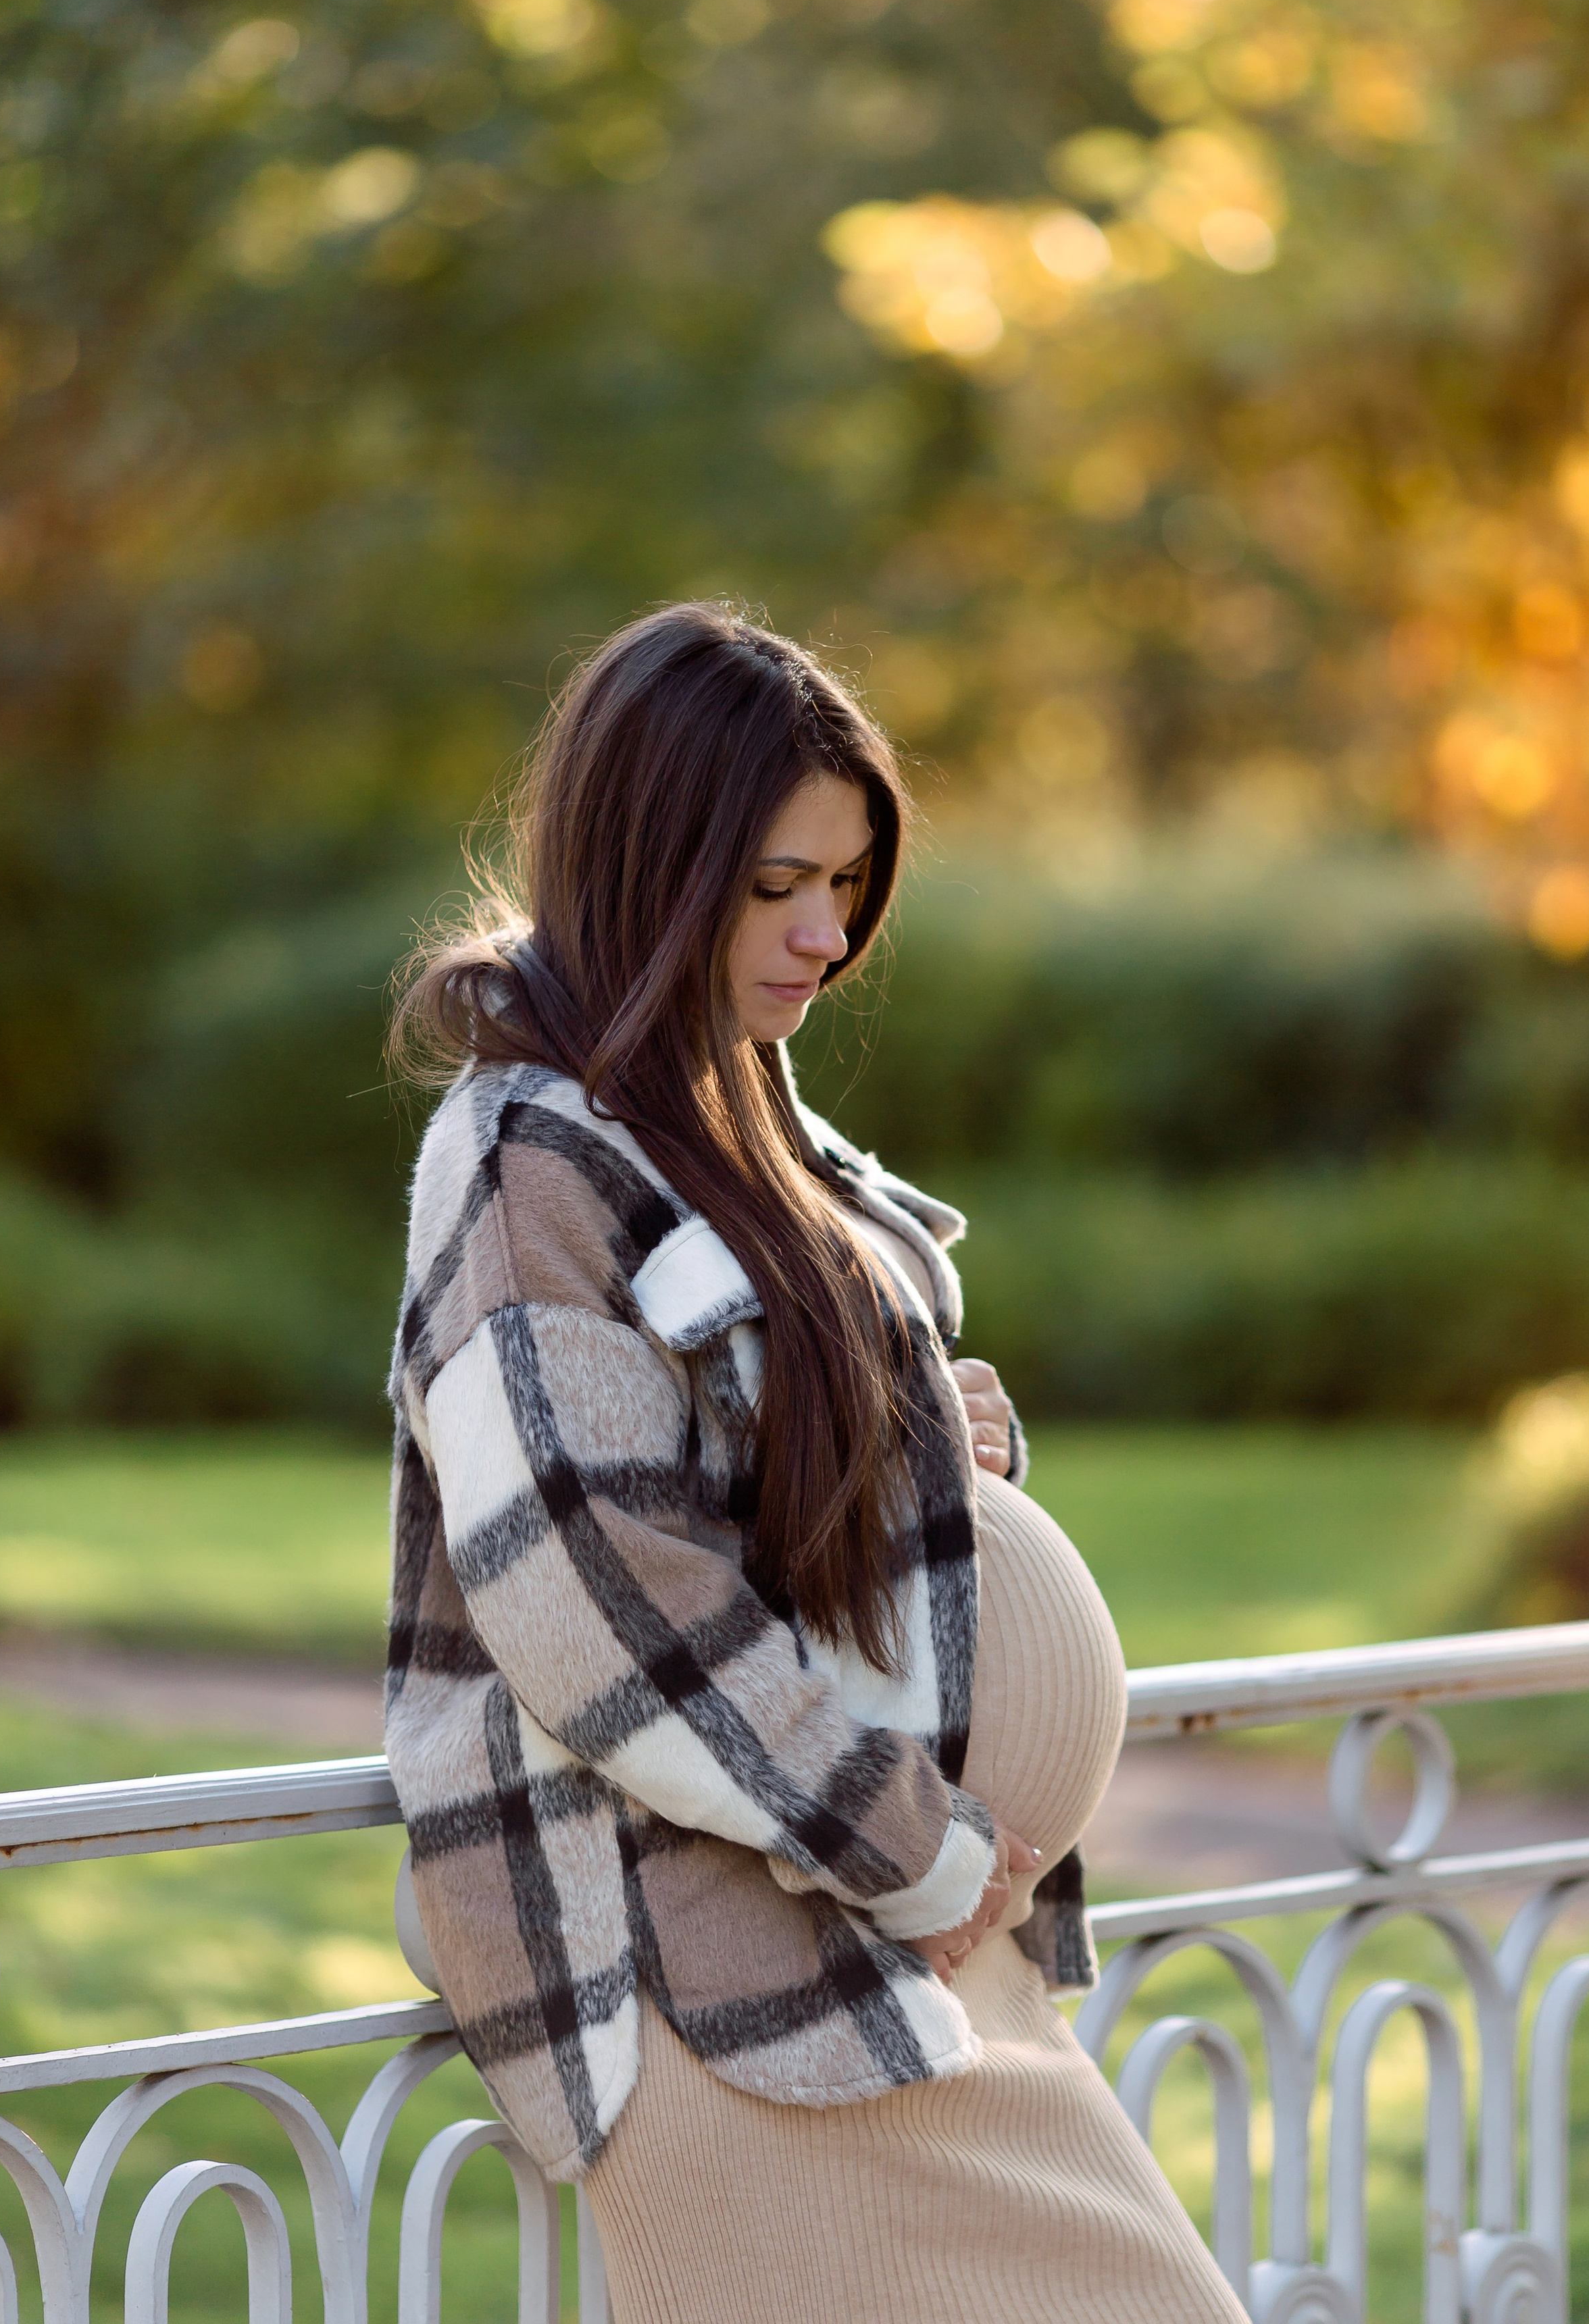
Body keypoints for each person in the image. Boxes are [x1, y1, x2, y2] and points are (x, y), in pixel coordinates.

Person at [385, 602, 1246, 2324]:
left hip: (906, 1935)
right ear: (650, 855)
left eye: (846, 888)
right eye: (777, 883)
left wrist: (937, 1434)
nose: (823, 938)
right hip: (725, 1975)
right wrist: (908, 1841)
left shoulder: (740, 1110)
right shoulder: (526, 1163)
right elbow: (602, 1596)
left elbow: (778, 1446)